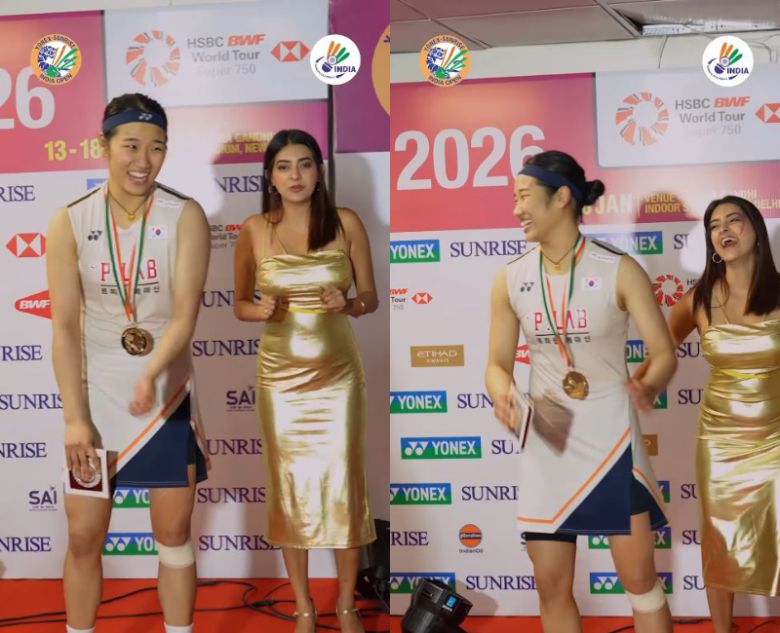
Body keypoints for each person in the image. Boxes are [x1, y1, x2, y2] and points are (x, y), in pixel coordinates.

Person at [485, 150, 677, 633]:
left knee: (640, 582)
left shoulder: (619, 269)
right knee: (551, 586)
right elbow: (496, 365)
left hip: (613, 436)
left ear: (562, 198)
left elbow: (663, 351)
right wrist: (502, 392)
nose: (516, 209)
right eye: (514, 198)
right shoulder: (510, 278)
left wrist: (649, 383)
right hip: (549, 436)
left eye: (524, 196)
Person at [47, 93, 210, 633]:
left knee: (174, 532)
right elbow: (64, 329)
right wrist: (75, 418)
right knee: (83, 535)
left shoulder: (184, 215)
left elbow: (185, 317)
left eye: (157, 147)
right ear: (105, 145)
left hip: (165, 394)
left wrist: (151, 372)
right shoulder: (70, 221)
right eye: (131, 146)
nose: (144, 161)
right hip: (95, 397)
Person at [233, 129, 378, 633]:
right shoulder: (253, 229)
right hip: (281, 380)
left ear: (319, 172)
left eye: (305, 164)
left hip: (339, 378)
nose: (295, 175)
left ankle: (346, 605)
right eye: (284, 166)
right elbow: (239, 304)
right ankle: (303, 607)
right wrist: (259, 310)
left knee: (344, 486)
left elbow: (370, 297)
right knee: (289, 487)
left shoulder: (345, 222)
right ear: (269, 177)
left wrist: (350, 303)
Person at [635, 195, 780, 633]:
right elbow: (661, 352)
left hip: (776, 436)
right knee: (719, 538)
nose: (724, 230)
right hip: (719, 439)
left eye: (734, 220)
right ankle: (722, 628)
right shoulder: (698, 298)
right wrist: (640, 385)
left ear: (756, 231)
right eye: (715, 225)